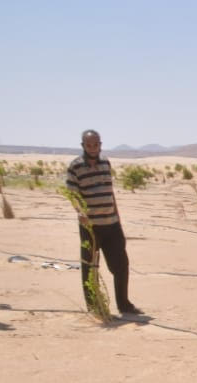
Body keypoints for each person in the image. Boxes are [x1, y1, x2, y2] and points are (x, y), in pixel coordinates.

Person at [65, 130, 139, 316]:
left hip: (112, 225)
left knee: (121, 265)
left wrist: (119, 221)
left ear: (100, 144)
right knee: (90, 267)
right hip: (90, 227)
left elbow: (110, 194)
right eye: (89, 145)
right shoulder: (75, 167)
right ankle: (94, 307)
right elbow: (73, 194)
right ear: (83, 146)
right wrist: (80, 211)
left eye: (95, 145)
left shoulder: (106, 163)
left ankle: (124, 304)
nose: (92, 148)